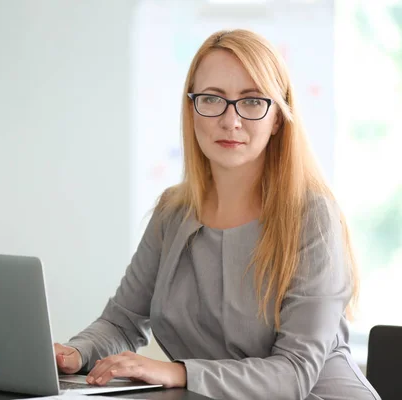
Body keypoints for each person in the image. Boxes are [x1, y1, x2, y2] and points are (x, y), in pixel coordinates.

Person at [53, 29, 381, 400]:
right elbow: (122, 321)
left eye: (252, 101)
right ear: (191, 108)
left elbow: (293, 374)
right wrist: (74, 352)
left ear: (277, 117)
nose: (231, 121)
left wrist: (179, 372)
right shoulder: (172, 212)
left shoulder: (311, 215)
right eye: (212, 99)